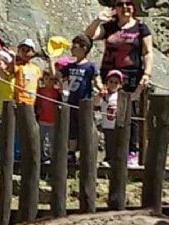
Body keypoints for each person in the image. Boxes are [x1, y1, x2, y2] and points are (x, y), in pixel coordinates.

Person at [86, 0, 153, 167]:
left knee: (131, 113)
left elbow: (147, 52)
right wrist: (97, 20)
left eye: (128, 3)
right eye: (120, 4)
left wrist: (147, 73)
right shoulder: (110, 26)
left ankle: (131, 152)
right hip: (110, 75)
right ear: (115, 8)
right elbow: (89, 36)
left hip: (131, 75)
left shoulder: (141, 28)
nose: (125, 7)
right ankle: (111, 154)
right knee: (109, 113)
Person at [58, 34, 97, 160]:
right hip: (71, 101)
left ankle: (85, 153)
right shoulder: (70, 66)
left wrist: (102, 88)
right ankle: (71, 152)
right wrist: (51, 60)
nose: (71, 49)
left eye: (74, 47)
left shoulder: (90, 66)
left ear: (84, 48)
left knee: (85, 127)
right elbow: (58, 76)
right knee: (72, 128)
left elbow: (97, 79)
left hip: (85, 102)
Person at [96, 70, 124, 165]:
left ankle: (114, 160)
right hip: (106, 124)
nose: (113, 84)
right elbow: (95, 103)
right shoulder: (104, 95)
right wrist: (100, 95)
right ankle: (108, 159)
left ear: (120, 85)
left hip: (116, 124)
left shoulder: (120, 96)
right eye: (111, 81)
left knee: (116, 144)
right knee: (108, 143)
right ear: (107, 82)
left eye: (116, 82)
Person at [36, 70, 61, 163]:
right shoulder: (40, 91)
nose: (49, 81)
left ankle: (52, 157)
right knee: (40, 139)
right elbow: (37, 103)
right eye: (46, 79)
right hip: (42, 119)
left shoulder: (57, 92)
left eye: (51, 79)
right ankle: (41, 156)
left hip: (53, 120)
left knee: (52, 140)